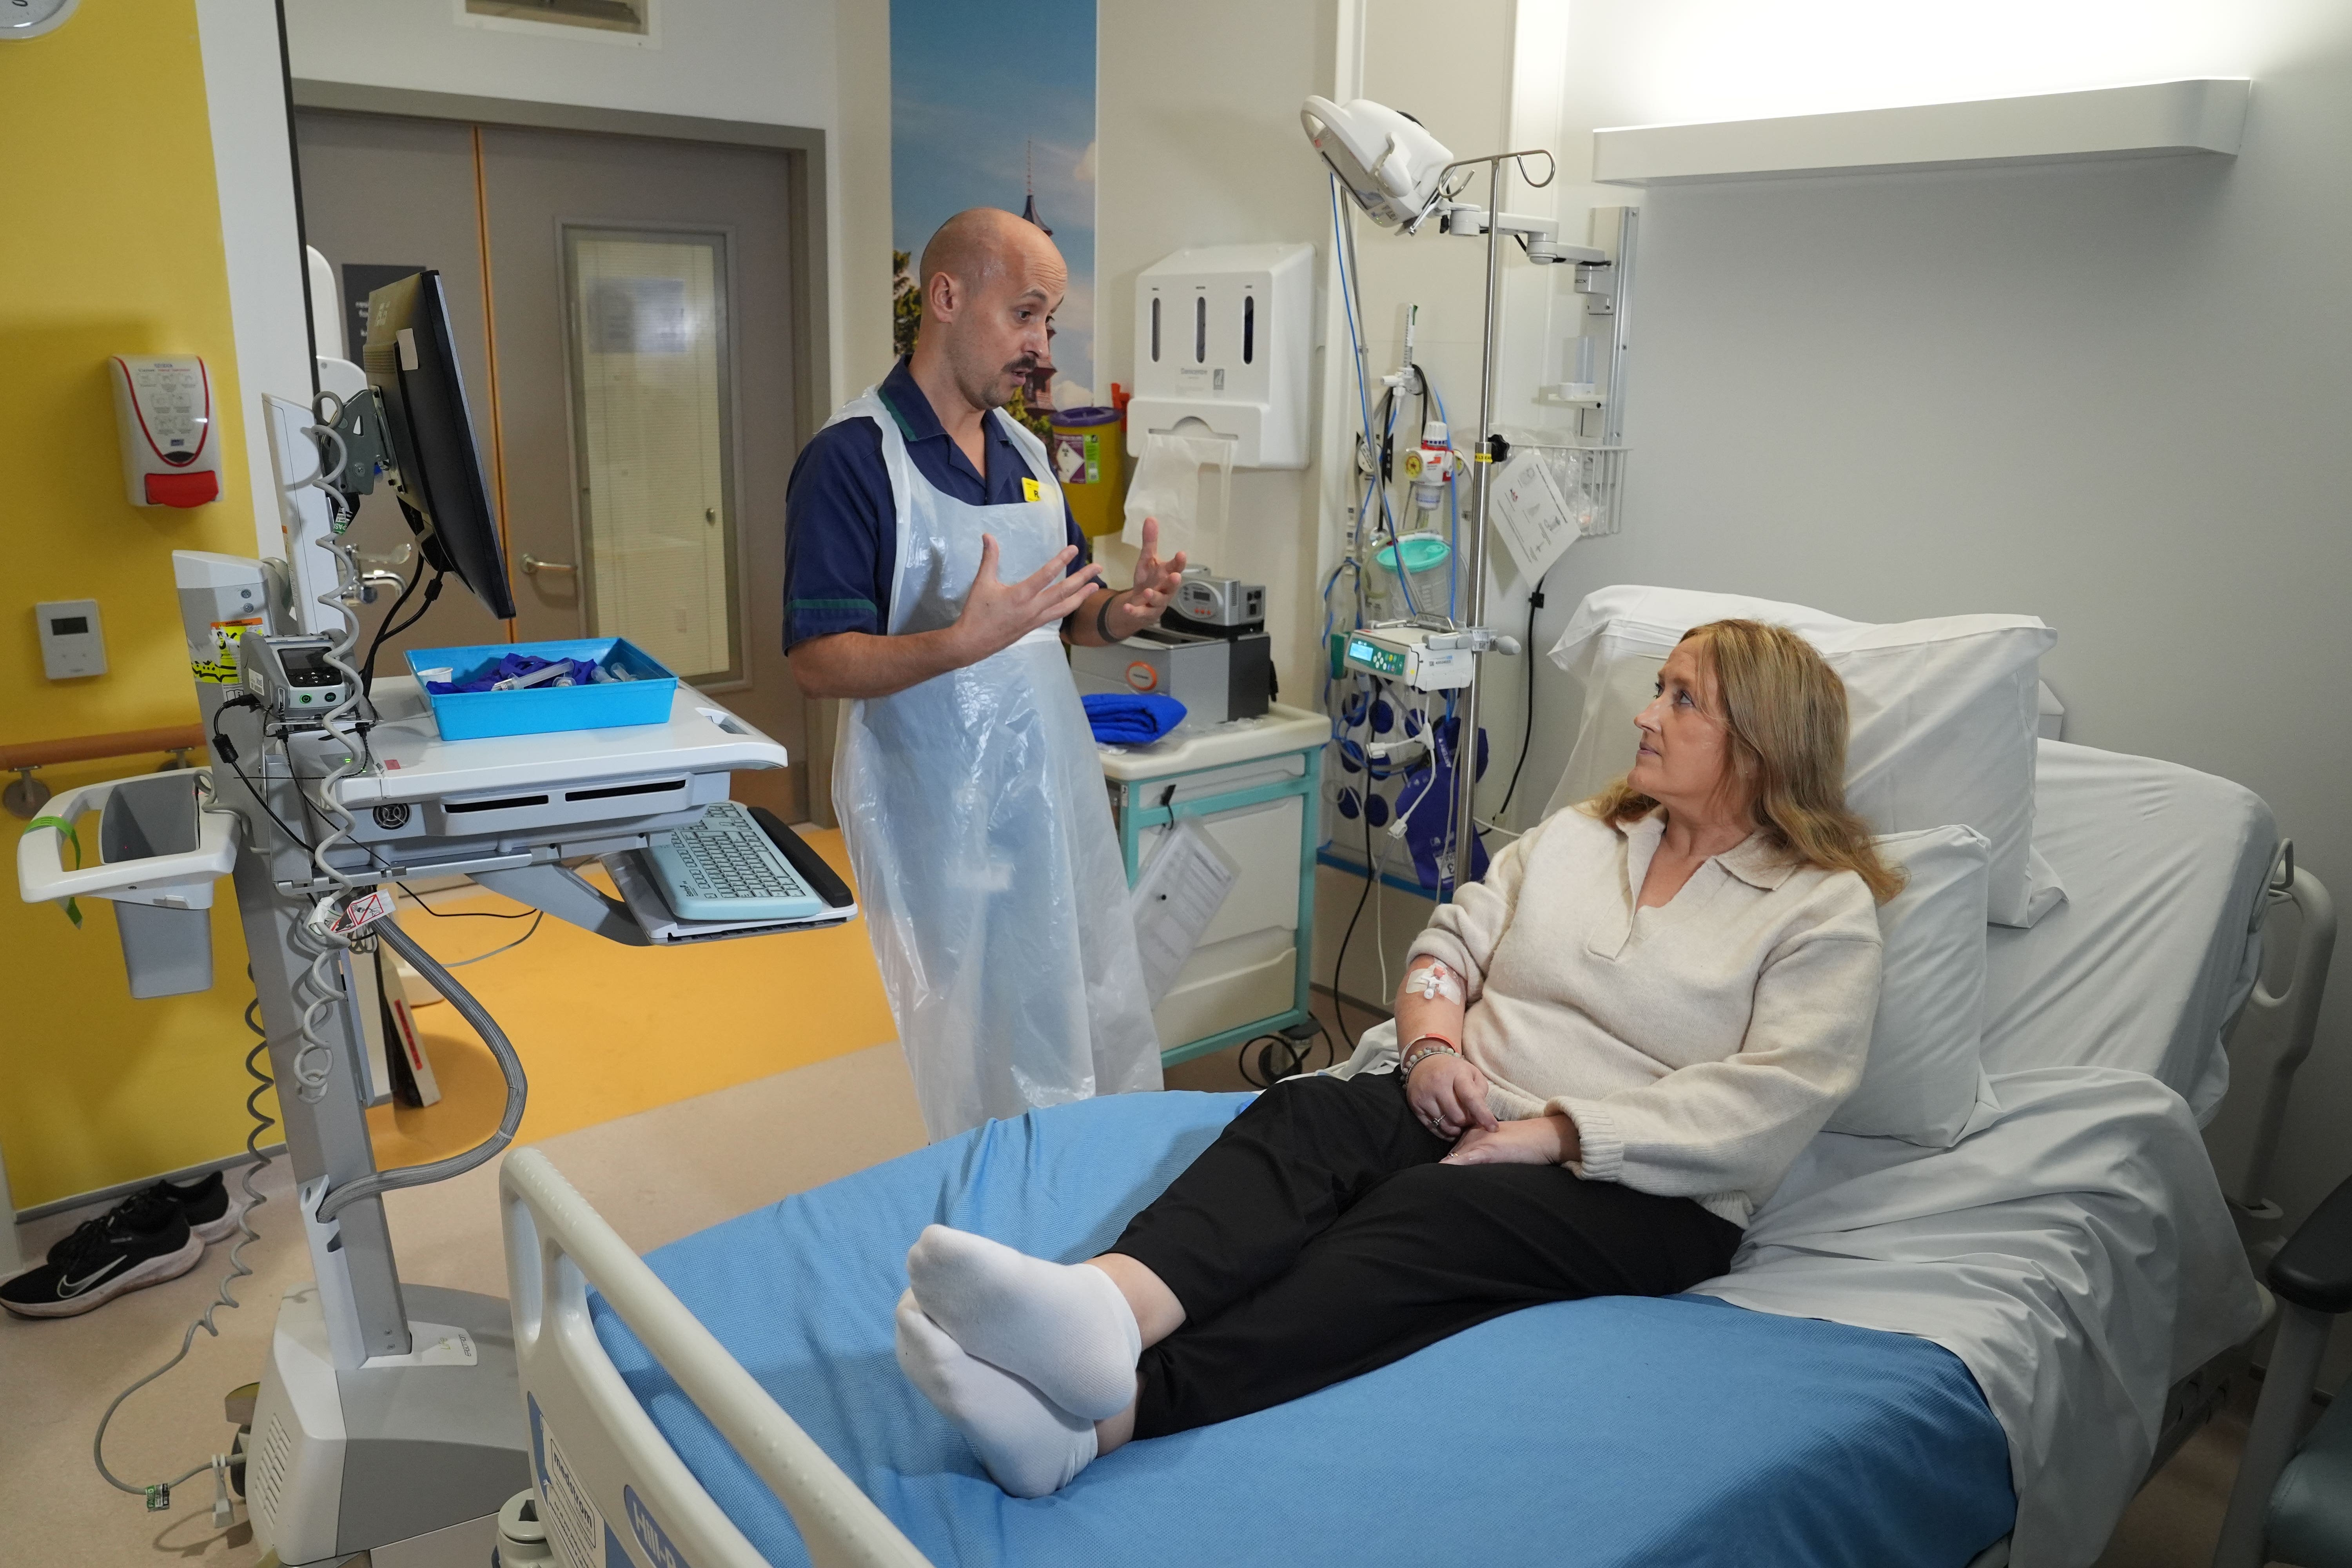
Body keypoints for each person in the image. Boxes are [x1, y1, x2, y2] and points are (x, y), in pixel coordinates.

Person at [889, 619, 1905, 1496]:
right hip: (1464, 1098)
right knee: (1308, 1118)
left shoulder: (1820, 909)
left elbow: (1770, 1106)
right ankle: (1108, 1308)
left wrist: (1549, 1137)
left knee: (1421, 1218)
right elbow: (1448, 946)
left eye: (1684, 700)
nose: (1647, 715)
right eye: (1656, 689)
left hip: (1644, 1188)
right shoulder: (1581, 837)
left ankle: (1106, 1423)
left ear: (1762, 747)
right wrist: (1427, 1053)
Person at [784, 209, 1187, 1140]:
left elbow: (1063, 608)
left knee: (1083, 995)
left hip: (1053, 796)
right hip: (938, 814)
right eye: (1027, 315)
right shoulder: (853, 459)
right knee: (972, 1043)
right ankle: (991, 1219)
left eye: (1050, 323)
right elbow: (815, 660)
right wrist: (960, 643)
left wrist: (1118, 612)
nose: (1042, 346)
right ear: (947, 297)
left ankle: (1095, 1194)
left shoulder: (1029, 454)